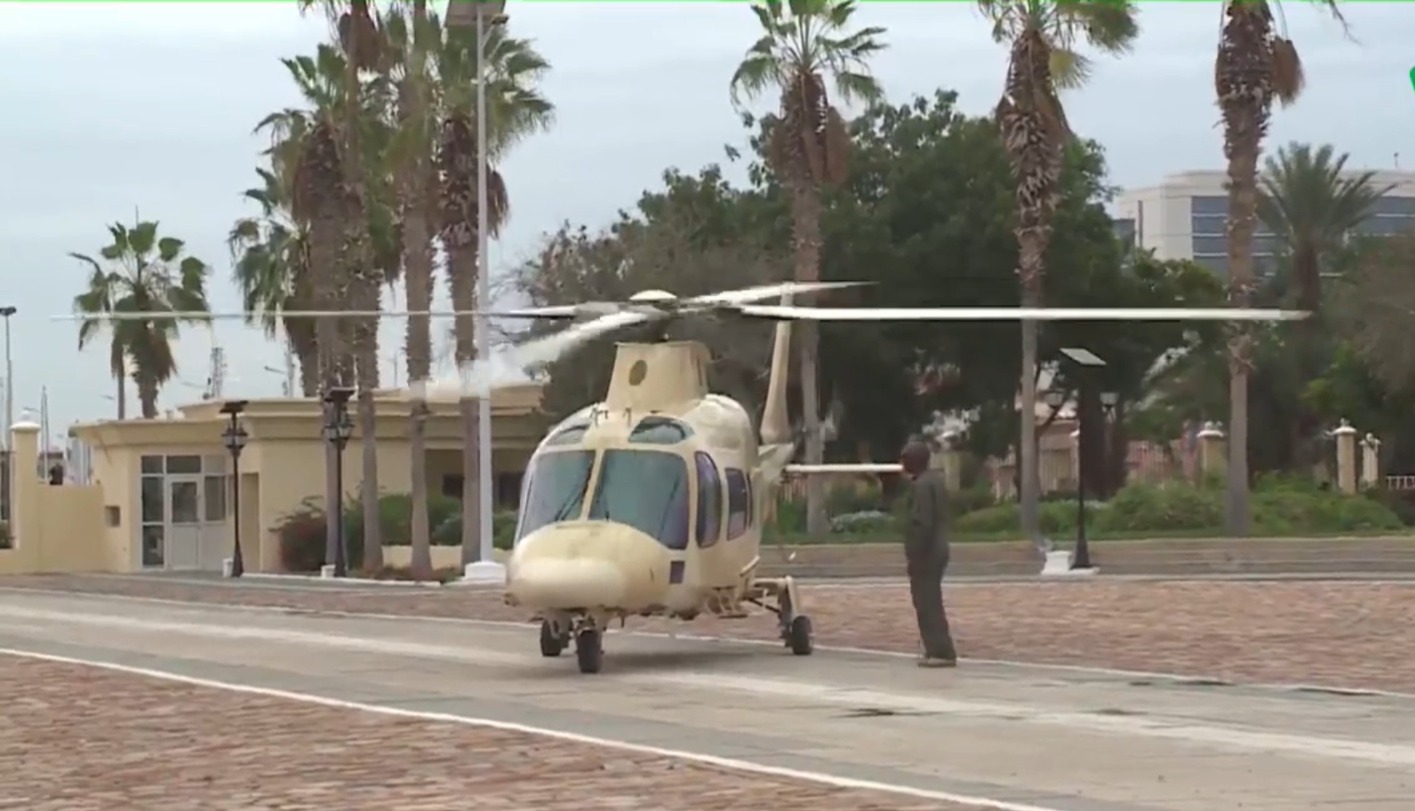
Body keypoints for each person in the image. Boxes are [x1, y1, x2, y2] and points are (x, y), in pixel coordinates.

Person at [900, 440, 958, 667]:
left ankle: (940, 651)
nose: (902, 463)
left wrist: (914, 552)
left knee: (927, 603)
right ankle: (936, 648)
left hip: (927, 552)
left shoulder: (922, 485)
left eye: (905, 458)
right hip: (938, 549)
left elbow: (922, 522)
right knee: (931, 600)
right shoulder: (935, 481)